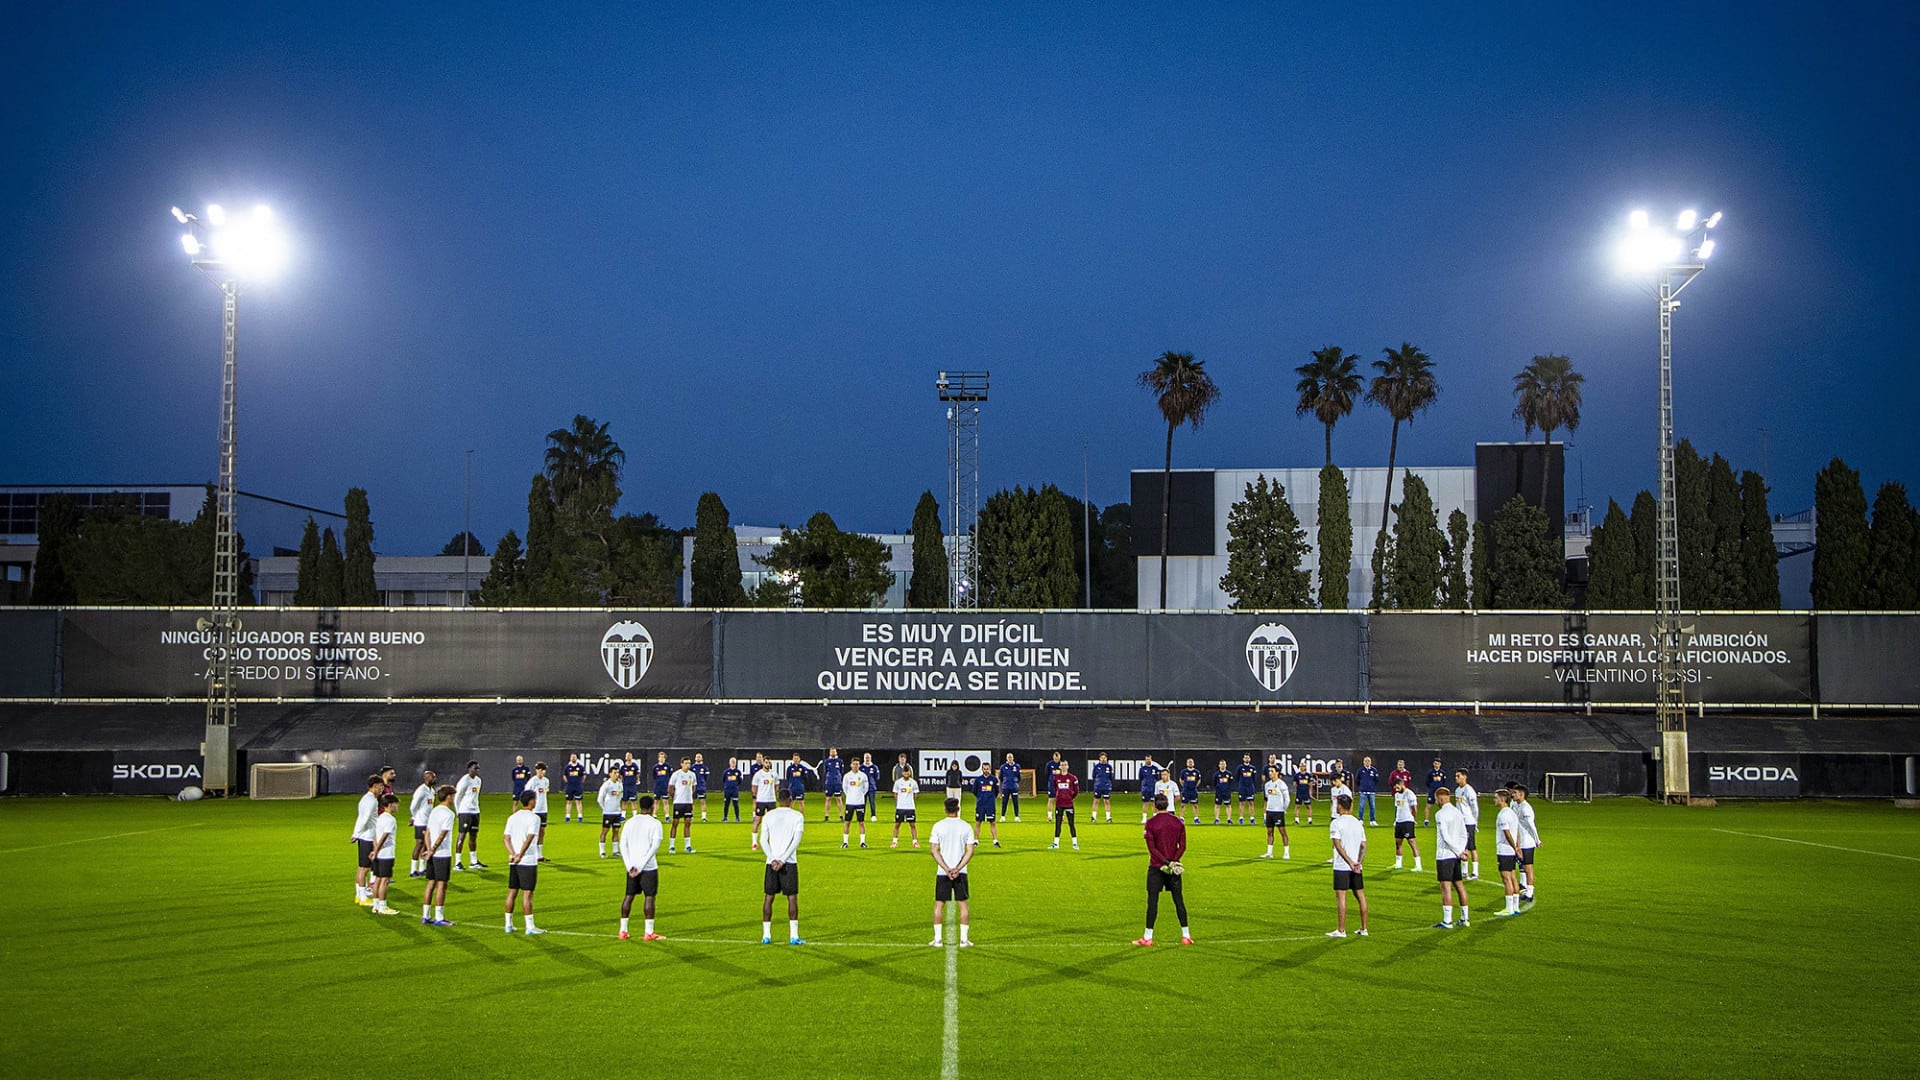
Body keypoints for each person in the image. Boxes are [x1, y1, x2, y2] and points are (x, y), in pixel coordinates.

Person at [1134, 795, 1191, 946]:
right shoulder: (1178, 822)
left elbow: (1152, 849)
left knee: (1153, 901)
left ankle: (1148, 937)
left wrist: (1165, 862)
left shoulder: (1151, 823)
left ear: (1154, 806)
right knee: (1178, 900)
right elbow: (1183, 846)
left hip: (1156, 867)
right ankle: (1186, 935)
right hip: (1173, 868)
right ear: (1168, 805)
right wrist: (1173, 862)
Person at [759, 790, 806, 945]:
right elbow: (796, 840)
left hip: (771, 863)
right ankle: (794, 936)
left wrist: (773, 859)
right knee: (791, 897)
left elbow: (763, 841)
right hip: (789, 863)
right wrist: (783, 860)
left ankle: (766, 935)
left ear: (779, 800)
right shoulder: (797, 816)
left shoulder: (768, 815)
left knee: (769, 897)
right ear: (791, 800)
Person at [929, 798, 977, 946]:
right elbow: (970, 851)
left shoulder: (938, 826)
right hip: (960, 872)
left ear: (945, 809)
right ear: (958, 808)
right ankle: (964, 939)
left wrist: (946, 868)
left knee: (939, 904)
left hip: (943, 872)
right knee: (963, 905)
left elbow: (934, 850)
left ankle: (937, 939)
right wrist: (958, 868)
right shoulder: (966, 827)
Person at [620, 794, 665, 941]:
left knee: (629, 896)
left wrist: (630, 866)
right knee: (649, 897)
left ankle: (623, 930)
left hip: (631, 866)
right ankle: (649, 932)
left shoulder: (629, 822)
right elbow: (654, 847)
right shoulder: (655, 824)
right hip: (648, 867)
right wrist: (641, 866)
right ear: (652, 807)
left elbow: (622, 845)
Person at [502, 790, 545, 935]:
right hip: (527, 861)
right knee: (528, 894)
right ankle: (530, 927)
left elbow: (506, 838)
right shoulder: (534, 818)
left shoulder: (512, 817)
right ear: (531, 801)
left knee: (512, 892)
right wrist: (520, 854)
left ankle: (508, 924)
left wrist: (513, 854)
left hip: (513, 861)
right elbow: (530, 838)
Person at [1327, 794, 1368, 938]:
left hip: (1342, 866)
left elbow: (1337, 845)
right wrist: (1358, 863)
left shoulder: (1336, 823)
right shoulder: (1358, 823)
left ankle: (1341, 930)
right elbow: (1363, 846)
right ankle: (1364, 928)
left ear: (1339, 806)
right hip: (1356, 867)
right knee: (1361, 896)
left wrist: (1349, 862)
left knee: (1341, 898)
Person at [1431, 786, 1470, 929]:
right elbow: (1464, 834)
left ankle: (1447, 921)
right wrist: (1460, 851)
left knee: (1445, 887)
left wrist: (1457, 851)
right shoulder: (1458, 813)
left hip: (1445, 855)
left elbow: (1445, 837)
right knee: (1459, 885)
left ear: (1441, 798)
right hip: (1456, 855)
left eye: (1436, 799)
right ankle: (1465, 918)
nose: (1436, 801)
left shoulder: (1440, 814)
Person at [421, 784, 458, 926]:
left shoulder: (434, 811)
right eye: (453, 796)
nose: (454, 799)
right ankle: (439, 917)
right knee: (442, 885)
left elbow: (428, 832)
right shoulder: (449, 814)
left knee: (430, 883)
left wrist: (429, 849)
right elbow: (443, 834)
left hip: (432, 854)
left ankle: (425, 916)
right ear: (448, 797)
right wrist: (434, 849)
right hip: (442, 854)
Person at [366, 793, 401, 915]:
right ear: (390, 805)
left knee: (377, 880)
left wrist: (375, 850)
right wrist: (376, 851)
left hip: (378, 853)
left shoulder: (380, 818)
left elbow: (375, 835)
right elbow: (384, 837)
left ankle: (375, 905)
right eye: (396, 804)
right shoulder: (391, 820)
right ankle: (383, 906)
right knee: (385, 881)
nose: (397, 807)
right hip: (386, 854)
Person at [351, 773, 383, 906]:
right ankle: (363, 897)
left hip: (364, 836)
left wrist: (356, 833)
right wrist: (356, 834)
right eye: (380, 787)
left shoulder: (365, 798)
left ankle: (359, 894)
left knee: (361, 868)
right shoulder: (371, 801)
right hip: (368, 837)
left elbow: (361, 818)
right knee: (364, 869)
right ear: (375, 786)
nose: (381, 790)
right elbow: (364, 819)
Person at [1492, 789, 1525, 915]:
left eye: (1496, 798)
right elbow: (1517, 832)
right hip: (1511, 851)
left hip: (1505, 851)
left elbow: (1507, 833)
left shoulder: (1503, 815)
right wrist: (1517, 847)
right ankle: (1516, 907)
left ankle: (1509, 908)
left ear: (1502, 799)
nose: (1494, 800)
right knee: (1513, 877)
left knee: (1506, 879)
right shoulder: (1512, 813)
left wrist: (1515, 847)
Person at [453, 761, 486, 870]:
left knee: (473, 836)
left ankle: (473, 861)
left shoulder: (478, 780)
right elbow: (457, 797)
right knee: (462, 835)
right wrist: (458, 811)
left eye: (478, 769)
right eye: (475, 768)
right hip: (465, 811)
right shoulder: (464, 781)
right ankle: (457, 862)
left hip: (475, 811)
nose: (476, 771)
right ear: (469, 769)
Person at [1512, 782, 1542, 902]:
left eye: (1515, 793)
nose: (1512, 795)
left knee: (1528, 867)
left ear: (1522, 794)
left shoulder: (1526, 809)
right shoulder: (1516, 805)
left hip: (1527, 843)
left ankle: (1530, 893)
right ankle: (1524, 887)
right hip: (1519, 842)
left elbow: (1531, 826)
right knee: (1522, 865)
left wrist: (1537, 840)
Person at [407, 769, 438, 877]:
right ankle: (413, 869)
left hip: (428, 822)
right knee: (419, 844)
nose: (434, 779)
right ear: (426, 778)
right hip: (421, 822)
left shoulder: (431, 790)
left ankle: (421, 868)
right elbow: (413, 806)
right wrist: (415, 817)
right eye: (432, 777)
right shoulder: (421, 791)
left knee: (426, 844)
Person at [1453, 770, 1481, 880]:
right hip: (1460, 822)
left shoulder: (1469, 790)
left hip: (1469, 822)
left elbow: (1474, 808)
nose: (1456, 778)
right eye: (1456, 776)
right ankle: (1464, 872)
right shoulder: (1457, 790)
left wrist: (1474, 821)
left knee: (1472, 847)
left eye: (1458, 776)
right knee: (1462, 847)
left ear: (1465, 777)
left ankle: (1475, 872)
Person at [751, 754, 781, 851]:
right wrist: (756, 797)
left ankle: (772, 842)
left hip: (771, 800)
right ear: (763, 763)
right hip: (761, 800)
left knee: (772, 822)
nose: (768, 764)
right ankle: (754, 842)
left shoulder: (774, 774)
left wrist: (773, 793)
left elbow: (777, 785)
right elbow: (754, 787)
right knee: (757, 820)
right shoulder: (759, 774)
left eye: (769, 762)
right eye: (766, 762)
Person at [668, 757, 698, 854]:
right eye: (685, 763)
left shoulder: (692, 775)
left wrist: (689, 797)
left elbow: (693, 787)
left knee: (688, 823)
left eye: (689, 763)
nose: (687, 765)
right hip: (678, 802)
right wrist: (675, 797)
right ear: (681, 764)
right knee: (675, 823)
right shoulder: (676, 774)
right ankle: (672, 846)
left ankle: (687, 846)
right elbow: (670, 788)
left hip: (688, 802)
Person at [1392, 778, 1423, 871]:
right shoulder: (1397, 795)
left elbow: (1414, 809)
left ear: (1402, 784)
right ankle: (1398, 864)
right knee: (1398, 843)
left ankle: (1418, 865)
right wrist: (1396, 820)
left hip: (1407, 822)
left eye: (1397, 787)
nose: (1396, 789)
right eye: (1395, 787)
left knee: (1412, 843)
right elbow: (1397, 808)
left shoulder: (1409, 794)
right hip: (1399, 822)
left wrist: (1412, 819)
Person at [1048, 762, 1079, 850]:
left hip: (1069, 804)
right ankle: (1056, 843)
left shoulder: (1072, 778)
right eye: (1062, 765)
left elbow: (1076, 791)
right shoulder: (1056, 778)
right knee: (1058, 824)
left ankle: (1075, 843)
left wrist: (1070, 797)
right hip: (1059, 804)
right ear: (1060, 767)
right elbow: (1055, 788)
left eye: (1065, 765)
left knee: (1071, 824)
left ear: (1068, 766)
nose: (1064, 766)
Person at [1262, 766, 1291, 859]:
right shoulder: (1267, 785)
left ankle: (1286, 852)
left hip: (1278, 812)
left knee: (1282, 832)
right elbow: (1267, 798)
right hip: (1269, 811)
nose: (1270, 773)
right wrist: (1265, 812)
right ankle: (1269, 852)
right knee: (1269, 832)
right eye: (1269, 771)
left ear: (1277, 772)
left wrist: (1283, 808)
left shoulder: (1282, 784)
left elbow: (1287, 799)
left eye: (1272, 771)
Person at [842, 762, 872, 848]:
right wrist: (850, 795)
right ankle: (845, 842)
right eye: (854, 764)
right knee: (847, 822)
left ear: (859, 765)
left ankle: (862, 842)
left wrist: (861, 795)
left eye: (857, 764)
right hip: (850, 802)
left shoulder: (863, 776)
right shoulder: (847, 776)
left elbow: (866, 788)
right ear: (851, 765)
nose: (855, 766)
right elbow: (845, 788)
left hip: (860, 802)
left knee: (861, 822)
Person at [596, 770, 625, 858]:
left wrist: (618, 806)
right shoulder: (607, 785)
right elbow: (600, 798)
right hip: (608, 813)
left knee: (616, 831)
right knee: (605, 831)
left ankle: (615, 851)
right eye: (614, 773)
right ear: (610, 774)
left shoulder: (619, 784)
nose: (616, 775)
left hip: (617, 812)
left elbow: (621, 794)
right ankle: (602, 851)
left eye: (617, 773)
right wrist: (605, 808)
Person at [527, 762, 551, 862]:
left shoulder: (546, 781)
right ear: (537, 770)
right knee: (533, 832)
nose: (542, 772)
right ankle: (530, 852)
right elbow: (527, 792)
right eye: (541, 770)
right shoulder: (533, 781)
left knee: (542, 831)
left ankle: (539, 854)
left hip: (543, 809)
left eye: (544, 770)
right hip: (535, 810)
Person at [892, 768, 921, 848]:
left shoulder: (913, 783)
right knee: (897, 824)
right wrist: (900, 802)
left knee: (912, 825)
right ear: (902, 773)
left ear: (910, 772)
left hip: (910, 807)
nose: (906, 773)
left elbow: (915, 794)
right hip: (900, 807)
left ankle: (915, 842)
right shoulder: (898, 782)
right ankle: (894, 841)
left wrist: (910, 801)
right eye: (905, 772)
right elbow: (895, 793)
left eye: (907, 772)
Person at [971, 769, 1000, 847]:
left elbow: (997, 791)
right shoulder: (978, 780)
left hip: (990, 804)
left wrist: (991, 797)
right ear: (982, 769)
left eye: (987, 769)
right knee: (978, 822)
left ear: (989, 769)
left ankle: (995, 841)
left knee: (992, 822)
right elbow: (974, 791)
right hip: (980, 804)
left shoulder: (994, 779)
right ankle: (976, 841)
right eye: (984, 769)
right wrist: (980, 797)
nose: (986, 770)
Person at [820, 747, 846, 823]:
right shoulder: (827, 761)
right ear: (830, 753)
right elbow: (824, 771)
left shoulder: (840, 761)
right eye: (832, 752)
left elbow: (841, 771)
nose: (833, 753)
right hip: (829, 782)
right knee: (828, 798)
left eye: (834, 752)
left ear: (836, 752)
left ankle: (841, 816)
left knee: (839, 798)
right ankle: (826, 816)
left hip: (837, 783)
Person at [1356, 755, 1381, 826]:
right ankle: (1360, 819)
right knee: (1361, 806)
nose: (1367, 762)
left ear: (1371, 762)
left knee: (1372, 806)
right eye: (1366, 761)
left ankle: (1372, 820)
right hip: (1363, 791)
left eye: (1368, 761)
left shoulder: (1374, 770)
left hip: (1371, 791)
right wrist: (1361, 787)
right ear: (1363, 762)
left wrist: (1372, 787)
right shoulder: (1360, 770)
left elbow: (1376, 780)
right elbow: (1357, 780)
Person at [1235, 754, 1260, 825]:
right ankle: (1241, 818)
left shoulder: (1253, 768)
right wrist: (1240, 784)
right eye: (1245, 758)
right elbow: (1237, 777)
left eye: (1248, 758)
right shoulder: (1240, 768)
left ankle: (1252, 818)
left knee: (1251, 802)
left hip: (1250, 788)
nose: (1247, 759)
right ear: (1243, 759)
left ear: (1250, 759)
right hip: (1242, 788)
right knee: (1242, 802)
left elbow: (1255, 778)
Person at [998, 753, 1023, 822]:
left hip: (1014, 787)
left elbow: (1019, 776)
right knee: (1004, 802)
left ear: (1013, 758)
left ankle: (1017, 816)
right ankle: (1003, 816)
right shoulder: (1003, 767)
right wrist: (1005, 782)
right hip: (1005, 787)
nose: (1010, 759)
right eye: (1008, 757)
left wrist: (1015, 782)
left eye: (1011, 757)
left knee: (1015, 802)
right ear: (1006, 758)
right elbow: (1000, 777)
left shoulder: (1017, 766)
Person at [1138, 755, 1162, 824]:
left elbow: (1157, 778)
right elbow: (1140, 778)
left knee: (1154, 803)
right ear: (1145, 760)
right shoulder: (1142, 769)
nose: (1148, 760)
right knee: (1145, 803)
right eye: (1147, 759)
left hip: (1153, 789)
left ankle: (1155, 818)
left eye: (1149, 759)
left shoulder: (1155, 768)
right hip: (1145, 789)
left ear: (1151, 759)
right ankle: (1144, 818)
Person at [1091, 753, 1115, 822]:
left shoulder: (1109, 767)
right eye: (1102, 758)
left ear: (1106, 758)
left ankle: (1108, 818)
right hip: (1098, 787)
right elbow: (1094, 776)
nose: (1103, 759)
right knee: (1096, 801)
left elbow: (1111, 777)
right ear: (1099, 758)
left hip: (1106, 787)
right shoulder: (1097, 766)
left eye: (1104, 758)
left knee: (1107, 801)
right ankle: (1093, 817)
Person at [563, 754, 586, 822]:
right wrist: (568, 782)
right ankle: (567, 816)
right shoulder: (567, 767)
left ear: (576, 758)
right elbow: (564, 776)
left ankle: (580, 816)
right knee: (569, 801)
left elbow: (584, 776)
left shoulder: (580, 767)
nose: (573, 758)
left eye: (574, 757)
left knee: (578, 801)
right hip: (570, 787)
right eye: (572, 757)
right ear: (570, 758)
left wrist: (579, 782)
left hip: (578, 787)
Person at [1292, 762, 1315, 826]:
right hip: (1299, 793)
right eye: (1301, 766)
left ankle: (1310, 820)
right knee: (1297, 806)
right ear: (1299, 767)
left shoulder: (1308, 775)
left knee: (1308, 806)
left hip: (1306, 793)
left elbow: (1310, 784)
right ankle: (1297, 820)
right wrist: (1298, 787)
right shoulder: (1297, 775)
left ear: (1305, 767)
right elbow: (1294, 783)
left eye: (1303, 766)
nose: (1302, 767)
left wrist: (1310, 791)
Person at [1211, 759, 1234, 825]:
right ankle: (1217, 819)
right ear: (1219, 765)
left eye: (1223, 764)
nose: (1222, 765)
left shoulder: (1229, 774)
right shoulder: (1216, 774)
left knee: (1228, 805)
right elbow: (1214, 782)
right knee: (1217, 805)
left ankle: (1229, 819)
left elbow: (1231, 782)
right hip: (1219, 792)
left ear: (1226, 765)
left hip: (1226, 792)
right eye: (1221, 764)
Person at [1178, 758, 1201, 824]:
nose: (1190, 763)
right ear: (1186, 763)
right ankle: (1181, 818)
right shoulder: (1184, 772)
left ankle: (1196, 818)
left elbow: (1199, 780)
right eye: (1189, 762)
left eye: (1191, 762)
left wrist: (1195, 786)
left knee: (1195, 805)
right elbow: (1181, 780)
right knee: (1183, 804)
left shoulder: (1196, 772)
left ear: (1193, 763)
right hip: (1186, 791)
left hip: (1193, 791)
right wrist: (1184, 786)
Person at [721, 758, 744, 823]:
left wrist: (735, 785)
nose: (733, 763)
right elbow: (723, 780)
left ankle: (737, 817)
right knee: (726, 804)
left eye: (734, 762)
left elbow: (740, 781)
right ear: (729, 763)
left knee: (735, 804)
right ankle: (725, 817)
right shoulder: (726, 772)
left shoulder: (738, 772)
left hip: (734, 790)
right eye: (732, 762)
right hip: (727, 790)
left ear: (736, 763)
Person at [619, 752, 641, 818]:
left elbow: (637, 774)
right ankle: (623, 816)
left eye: (630, 756)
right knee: (624, 801)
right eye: (627, 756)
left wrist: (636, 780)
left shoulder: (634, 766)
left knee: (633, 801)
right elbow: (621, 775)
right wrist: (623, 781)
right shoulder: (623, 767)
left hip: (632, 786)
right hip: (625, 786)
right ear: (625, 757)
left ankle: (634, 816)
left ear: (632, 757)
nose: (628, 757)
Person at [1425, 758, 1446, 826]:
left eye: (1438, 763)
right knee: (1428, 805)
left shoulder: (1442, 772)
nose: (1436, 765)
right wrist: (1431, 788)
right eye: (1435, 763)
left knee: (1442, 806)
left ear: (1440, 764)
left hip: (1440, 792)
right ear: (1433, 764)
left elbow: (1444, 782)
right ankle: (1426, 820)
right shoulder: (1430, 772)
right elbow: (1427, 782)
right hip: (1432, 792)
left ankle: (1443, 820)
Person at [652, 751, 673, 819]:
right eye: (660, 757)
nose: (661, 758)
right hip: (657, 787)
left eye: (663, 757)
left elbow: (670, 775)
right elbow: (654, 776)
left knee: (665, 801)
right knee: (656, 802)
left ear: (665, 758)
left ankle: (667, 816)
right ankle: (654, 815)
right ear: (658, 758)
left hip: (665, 787)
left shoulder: (668, 766)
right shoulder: (655, 767)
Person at [1043, 752, 1064, 821]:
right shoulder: (1049, 764)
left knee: (1060, 800)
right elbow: (1046, 774)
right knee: (1051, 799)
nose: (1056, 758)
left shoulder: (1062, 764)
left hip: (1060, 785)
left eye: (1057, 757)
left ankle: (1061, 815)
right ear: (1053, 757)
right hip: (1052, 785)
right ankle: (1049, 816)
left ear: (1059, 757)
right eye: (1055, 757)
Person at [692, 753, 712, 822]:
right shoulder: (692, 767)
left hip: (701, 787)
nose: (698, 758)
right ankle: (691, 816)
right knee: (692, 802)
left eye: (699, 757)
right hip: (694, 787)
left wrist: (702, 783)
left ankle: (703, 817)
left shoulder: (704, 767)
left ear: (702, 758)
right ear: (695, 758)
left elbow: (706, 777)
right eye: (697, 757)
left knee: (703, 801)